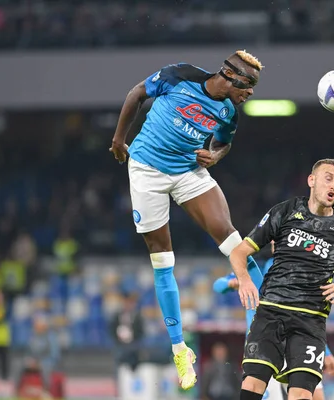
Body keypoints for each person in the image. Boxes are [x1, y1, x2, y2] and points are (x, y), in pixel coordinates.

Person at [109, 50, 265, 389]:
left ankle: (261, 342)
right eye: (249, 86)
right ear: (233, 77)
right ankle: (180, 349)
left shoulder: (229, 111)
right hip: (147, 170)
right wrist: (119, 139)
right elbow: (137, 93)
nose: (250, 94)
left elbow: (222, 144)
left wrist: (214, 155)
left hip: (187, 171)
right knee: (163, 259)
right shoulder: (180, 75)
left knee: (235, 243)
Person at [229, 159, 334, 400]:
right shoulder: (284, 211)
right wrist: (244, 280)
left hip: (310, 321)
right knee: (253, 384)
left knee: (302, 395)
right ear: (311, 180)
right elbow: (239, 252)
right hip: (271, 313)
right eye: (328, 178)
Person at [213, 241, 334, 400]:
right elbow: (218, 285)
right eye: (273, 239)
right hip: (265, 343)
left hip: (296, 342)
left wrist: (326, 352)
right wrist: (232, 282)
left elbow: (307, 321)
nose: (274, 242)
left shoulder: (301, 272)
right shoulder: (256, 270)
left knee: (315, 395)